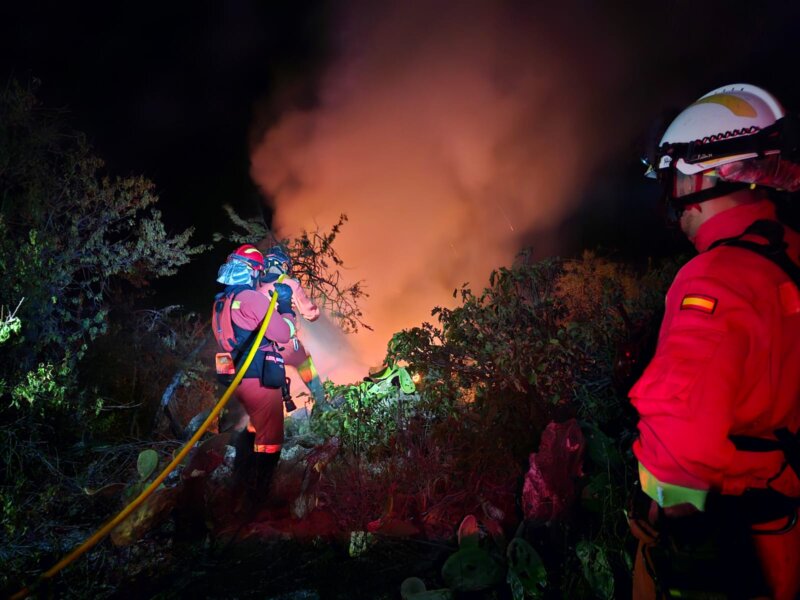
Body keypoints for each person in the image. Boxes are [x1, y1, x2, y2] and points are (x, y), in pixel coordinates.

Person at [629, 84, 800, 599]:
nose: (672, 200)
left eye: (673, 180)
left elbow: (679, 437)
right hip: (784, 524)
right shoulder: (788, 254)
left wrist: (670, 532)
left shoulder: (715, 277)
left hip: (734, 545)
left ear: (702, 176)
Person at [212, 244, 294, 502]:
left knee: (248, 432)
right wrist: (285, 305)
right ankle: (258, 498)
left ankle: (238, 487)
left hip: (236, 380)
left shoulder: (220, 303)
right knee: (270, 440)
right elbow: (284, 333)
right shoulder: (251, 298)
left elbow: (225, 343)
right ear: (253, 271)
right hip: (259, 378)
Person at [256, 245, 332, 412]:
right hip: (287, 343)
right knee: (305, 364)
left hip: (263, 348)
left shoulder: (256, 290)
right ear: (284, 265)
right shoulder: (289, 283)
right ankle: (322, 404)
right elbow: (310, 314)